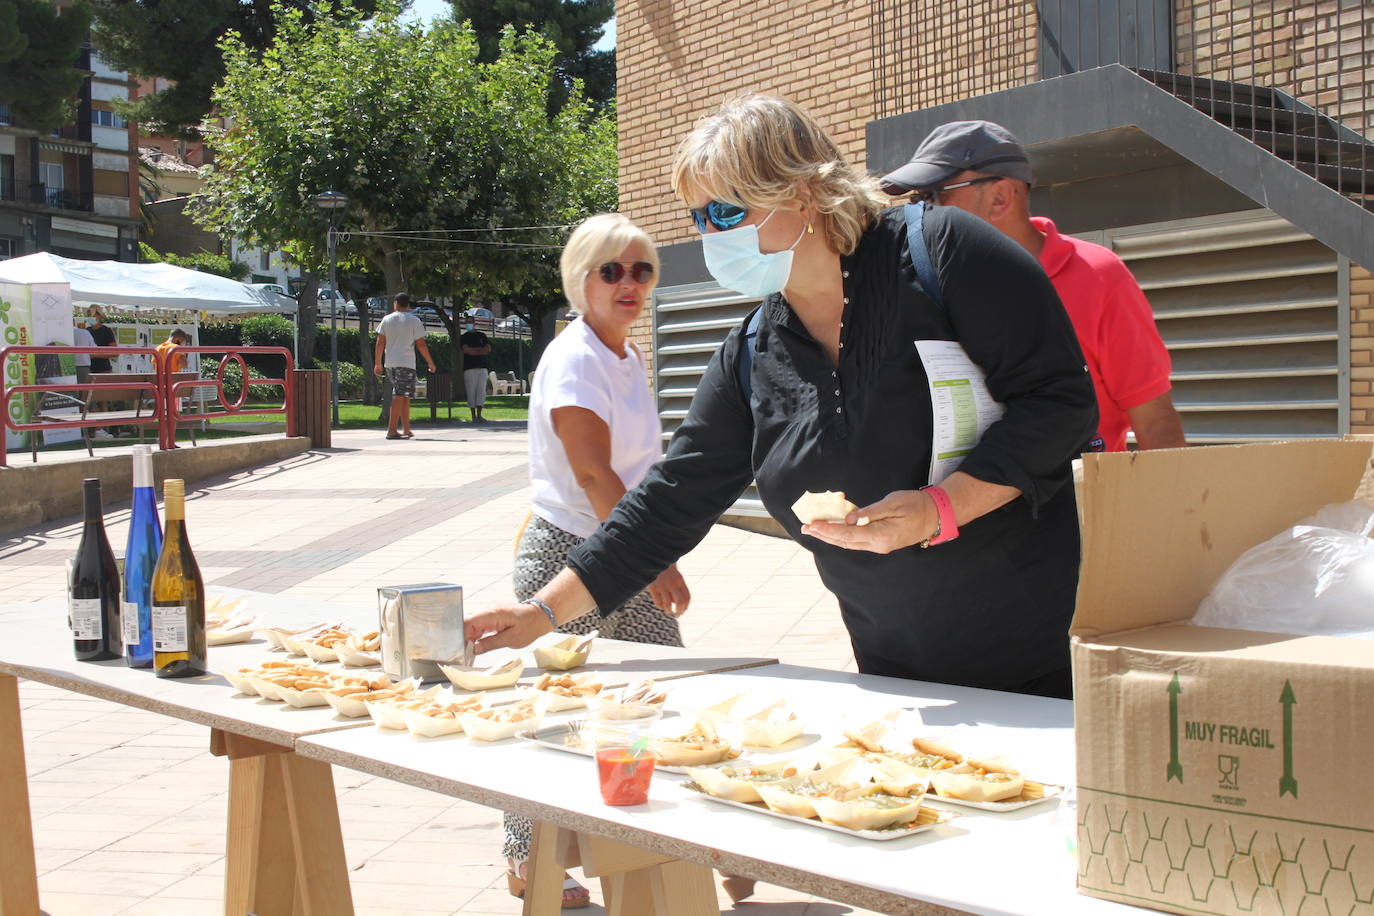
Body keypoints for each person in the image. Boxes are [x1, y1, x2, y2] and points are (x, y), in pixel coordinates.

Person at [467, 92, 1096, 692]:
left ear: (801, 192)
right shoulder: (751, 350)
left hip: (1044, 649)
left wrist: (941, 508)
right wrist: (542, 614)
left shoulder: (943, 252)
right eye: (699, 218)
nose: (711, 236)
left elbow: (1061, 402)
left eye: (725, 213)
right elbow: (670, 499)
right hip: (892, 661)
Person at [499, 213, 692, 909]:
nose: (629, 282)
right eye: (610, 270)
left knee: (652, 698)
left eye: (641, 269)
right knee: (554, 712)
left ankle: (650, 845)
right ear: (579, 281)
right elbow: (592, 473)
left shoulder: (626, 354)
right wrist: (655, 558)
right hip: (572, 551)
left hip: (622, 544)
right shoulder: (577, 356)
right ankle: (528, 862)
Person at [880, 120, 1186, 452]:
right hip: (959, 499)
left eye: (934, 196)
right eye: (916, 200)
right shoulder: (924, 285)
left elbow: (1155, 423)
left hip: (1077, 501)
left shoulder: (1098, 276)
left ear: (999, 197)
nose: (922, 213)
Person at [373, 293, 436, 440]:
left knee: (404, 395)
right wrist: (430, 362)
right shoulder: (414, 320)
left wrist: (377, 363)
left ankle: (406, 429)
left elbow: (380, 342)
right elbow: (420, 344)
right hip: (406, 363)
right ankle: (392, 430)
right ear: (408, 305)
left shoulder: (386, 320)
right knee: (400, 395)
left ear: (395, 303)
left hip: (390, 363)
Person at [84, 308, 117, 438]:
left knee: (102, 401)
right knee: (89, 401)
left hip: (103, 369)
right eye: (88, 315)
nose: (90, 317)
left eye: (92, 314)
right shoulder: (86, 331)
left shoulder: (106, 331)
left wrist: (95, 355)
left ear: (99, 316)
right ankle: (93, 429)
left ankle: (102, 429)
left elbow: (114, 352)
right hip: (89, 369)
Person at [459, 316, 492, 421]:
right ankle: (473, 415)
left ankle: (479, 415)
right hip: (469, 368)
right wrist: (479, 349)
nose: (469, 324)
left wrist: (474, 350)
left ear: (474, 323)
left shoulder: (482, 335)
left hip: (482, 367)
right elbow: (466, 350)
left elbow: (488, 349)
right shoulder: (464, 337)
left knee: (481, 391)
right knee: (471, 391)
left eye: (470, 322)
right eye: (467, 322)